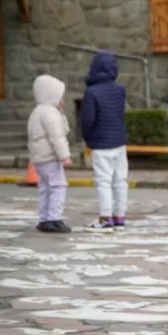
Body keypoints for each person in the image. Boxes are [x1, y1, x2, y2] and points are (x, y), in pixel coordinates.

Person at [80, 51, 129, 232]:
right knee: (120, 181)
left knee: (103, 182)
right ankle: (120, 218)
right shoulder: (120, 89)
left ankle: (105, 219)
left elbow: (88, 120)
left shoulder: (91, 92)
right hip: (119, 141)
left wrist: (87, 138)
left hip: (101, 143)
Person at [27, 74, 73, 233]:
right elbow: (57, 137)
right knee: (58, 186)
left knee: (45, 188)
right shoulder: (50, 113)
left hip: (39, 159)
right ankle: (54, 218)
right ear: (51, 95)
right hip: (50, 157)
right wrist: (65, 156)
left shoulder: (37, 111)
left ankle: (44, 218)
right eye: (60, 96)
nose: (63, 100)